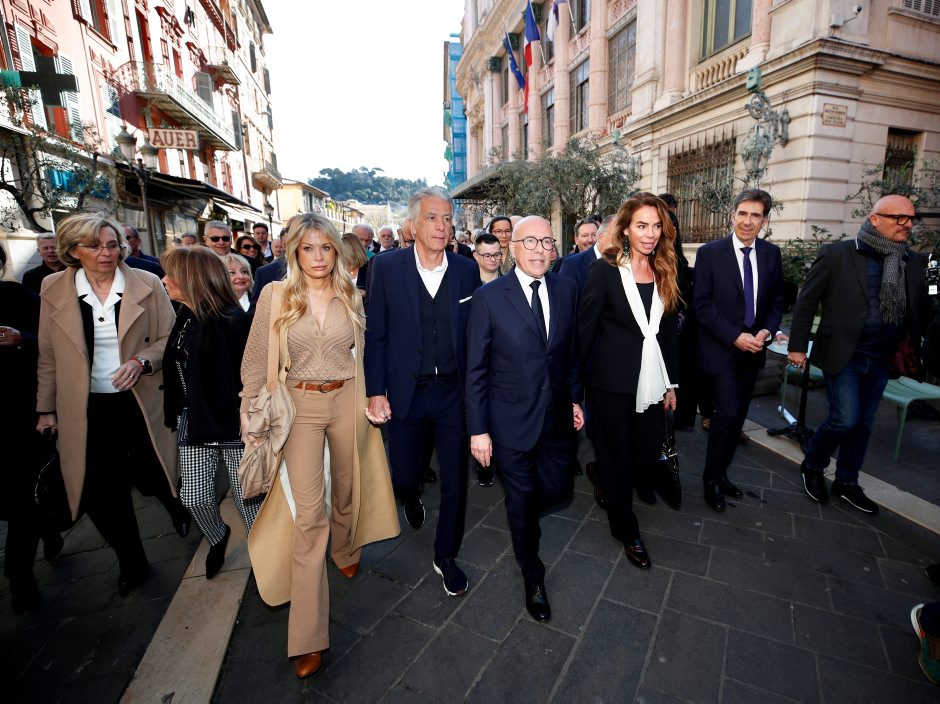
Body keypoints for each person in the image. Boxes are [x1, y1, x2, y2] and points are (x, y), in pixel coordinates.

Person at [240, 213, 398, 678]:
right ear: (294, 251)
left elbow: (365, 353)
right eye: (308, 248)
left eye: (325, 248)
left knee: (347, 487)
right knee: (309, 517)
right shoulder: (275, 295)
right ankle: (308, 637)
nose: (318, 257)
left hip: (347, 398)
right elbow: (256, 359)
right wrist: (250, 414)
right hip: (298, 405)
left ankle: (345, 548)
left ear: (337, 251)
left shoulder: (352, 293)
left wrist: (375, 396)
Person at [35, 212, 189, 597]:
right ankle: (131, 560)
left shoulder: (146, 282)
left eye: (111, 245)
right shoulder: (53, 287)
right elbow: (48, 354)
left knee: (155, 472)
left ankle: (178, 505)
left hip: (142, 400)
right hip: (86, 408)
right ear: (73, 250)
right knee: (101, 490)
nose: (106, 253)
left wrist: (141, 362)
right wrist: (46, 409)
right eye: (94, 246)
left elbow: (170, 339)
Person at [364, 186, 481, 597]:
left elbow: (475, 335)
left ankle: (445, 555)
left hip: (452, 392)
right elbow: (376, 336)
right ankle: (410, 495)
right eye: (432, 218)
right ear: (413, 225)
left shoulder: (466, 270)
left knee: (455, 480)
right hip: (406, 392)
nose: (441, 226)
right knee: (404, 475)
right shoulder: (386, 267)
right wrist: (375, 391)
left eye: (447, 218)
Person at [466, 216, 583, 622]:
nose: (539, 249)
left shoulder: (566, 289)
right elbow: (476, 370)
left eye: (547, 242)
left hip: (556, 419)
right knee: (521, 501)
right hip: (509, 422)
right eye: (530, 241)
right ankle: (533, 575)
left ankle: (525, 512)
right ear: (512, 248)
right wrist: (479, 430)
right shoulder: (489, 297)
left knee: (557, 488)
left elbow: (570, 353)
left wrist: (574, 399)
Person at [789, 195, 932, 514]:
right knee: (844, 419)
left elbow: (920, 308)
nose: (907, 224)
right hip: (843, 353)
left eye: (911, 218)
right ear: (875, 219)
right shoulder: (837, 254)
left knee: (864, 424)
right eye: (899, 218)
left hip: (882, 357)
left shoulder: (911, 261)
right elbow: (807, 302)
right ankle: (813, 464)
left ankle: (847, 481)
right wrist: (797, 346)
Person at [579, 194, 680, 569]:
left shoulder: (665, 269)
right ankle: (626, 530)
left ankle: (602, 472)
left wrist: (671, 383)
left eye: (656, 226)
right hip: (610, 385)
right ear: (625, 229)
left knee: (644, 455)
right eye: (642, 225)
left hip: (651, 383)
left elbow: (668, 333)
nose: (650, 234)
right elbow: (586, 331)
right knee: (619, 460)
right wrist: (575, 389)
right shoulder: (605, 271)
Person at [161, 247, 259, 578]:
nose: (165, 280)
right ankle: (217, 535)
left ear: (191, 278)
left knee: (247, 498)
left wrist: (248, 422)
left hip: (232, 423)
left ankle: (264, 556)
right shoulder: (185, 316)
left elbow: (251, 377)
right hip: (194, 421)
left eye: (171, 275)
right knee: (193, 496)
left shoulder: (233, 320)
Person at [693, 188, 785, 513]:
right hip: (722, 349)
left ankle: (721, 474)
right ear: (732, 215)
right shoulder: (710, 253)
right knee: (727, 413)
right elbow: (701, 305)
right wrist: (735, 337)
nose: (747, 221)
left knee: (737, 418)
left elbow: (777, 302)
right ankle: (710, 480)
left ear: (765, 220)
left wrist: (766, 331)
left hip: (754, 350)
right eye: (742, 213)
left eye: (755, 215)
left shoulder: (771, 254)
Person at [1, 244, 62, 614]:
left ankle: (19, 577)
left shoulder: (16, 295)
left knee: (23, 497)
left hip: (21, 417)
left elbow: (56, 345)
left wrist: (22, 339)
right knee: (18, 501)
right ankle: (48, 527)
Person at [559, 215, 615, 293]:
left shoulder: (616, 260)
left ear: (599, 236)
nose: (590, 240)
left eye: (594, 235)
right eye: (585, 235)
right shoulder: (570, 264)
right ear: (576, 239)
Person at [341, 232, 371, 296]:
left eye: (342, 250)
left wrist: (364, 293)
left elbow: (376, 292)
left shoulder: (369, 268)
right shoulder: (337, 267)